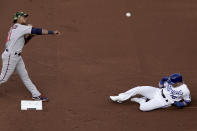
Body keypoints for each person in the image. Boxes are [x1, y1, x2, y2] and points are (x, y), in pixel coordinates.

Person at [0, 11, 60, 101]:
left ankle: (36, 95)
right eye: (23, 16)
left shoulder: (14, 28)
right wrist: (52, 32)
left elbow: (22, 43)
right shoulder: (20, 27)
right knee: (3, 78)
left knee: (25, 76)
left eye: (25, 17)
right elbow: (37, 31)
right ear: (17, 18)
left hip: (16, 56)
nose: (25, 18)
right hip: (11, 57)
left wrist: (31, 36)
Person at [110, 73, 191, 111]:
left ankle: (142, 101)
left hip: (162, 101)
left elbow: (187, 101)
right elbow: (160, 86)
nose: (170, 84)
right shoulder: (171, 81)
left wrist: (180, 104)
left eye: (171, 83)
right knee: (139, 88)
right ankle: (120, 97)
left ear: (178, 83)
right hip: (157, 91)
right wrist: (162, 81)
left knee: (142, 108)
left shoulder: (185, 91)